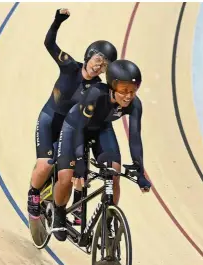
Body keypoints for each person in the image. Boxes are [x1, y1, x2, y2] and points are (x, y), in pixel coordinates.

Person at [27, 8, 118, 223]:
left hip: (71, 127)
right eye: (97, 60)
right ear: (88, 55)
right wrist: (57, 21)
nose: (99, 67)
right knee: (46, 164)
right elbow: (49, 44)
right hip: (50, 120)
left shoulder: (98, 87)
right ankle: (33, 193)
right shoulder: (69, 66)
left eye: (104, 66)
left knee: (79, 158)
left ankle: (76, 201)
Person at [52, 59, 151, 241]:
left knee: (114, 173)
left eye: (133, 90)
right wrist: (80, 161)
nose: (128, 96)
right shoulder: (96, 94)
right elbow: (80, 128)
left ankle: (108, 219)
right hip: (75, 128)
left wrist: (140, 170)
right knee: (67, 177)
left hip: (101, 130)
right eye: (123, 90)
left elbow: (135, 139)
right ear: (112, 87)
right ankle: (58, 213)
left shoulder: (135, 105)